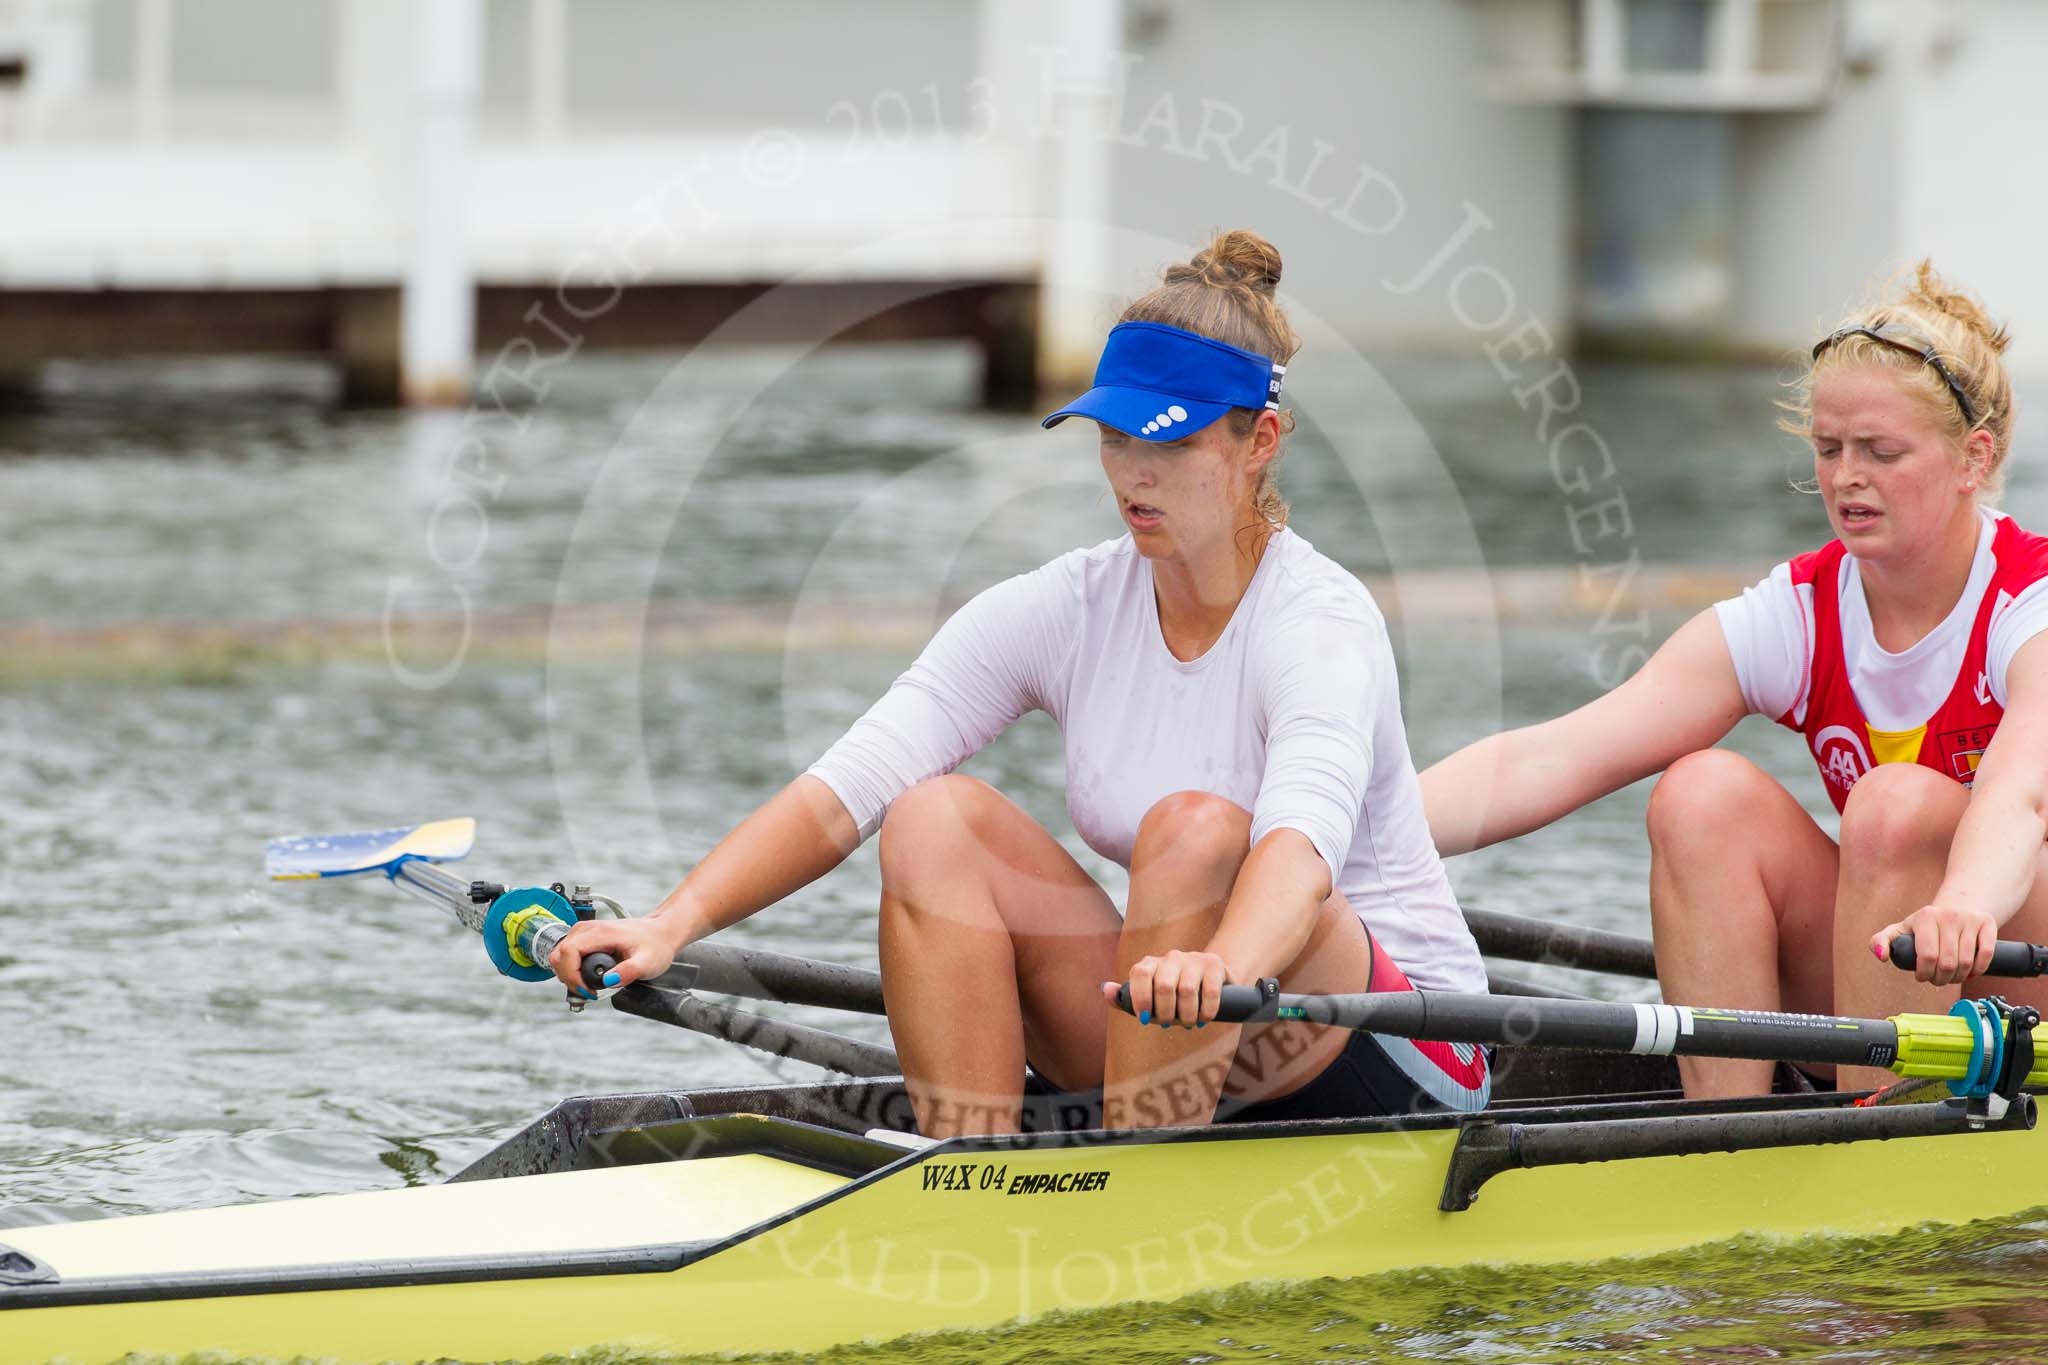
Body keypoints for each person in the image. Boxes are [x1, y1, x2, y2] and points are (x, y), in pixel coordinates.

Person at [549, 229, 1491, 1137]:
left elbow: (1301, 846)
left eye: (1169, 444)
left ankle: (1138, 1197)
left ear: (1260, 442)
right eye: (1115, 438)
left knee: (1197, 831)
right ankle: (975, 1175)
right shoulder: (1068, 605)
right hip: (1187, 1032)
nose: (1134, 474)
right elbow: (851, 785)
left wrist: (1222, 972)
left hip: (1392, 1042)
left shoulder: (1319, 622)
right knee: (932, 816)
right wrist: (671, 922)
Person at [1421, 262, 2048, 1097]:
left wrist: (1966, 899)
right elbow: (1557, 754)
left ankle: (1873, 1140)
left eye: (1881, 451)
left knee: (1896, 806)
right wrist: (1336, 841)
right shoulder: (1800, 610)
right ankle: (1729, 1134)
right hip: (1896, 972)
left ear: (1974, 459)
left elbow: (2022, 794)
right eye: (1828, 448)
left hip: (2020, 978)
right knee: (1698, 794)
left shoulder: (2028, 601)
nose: (1845, 476)